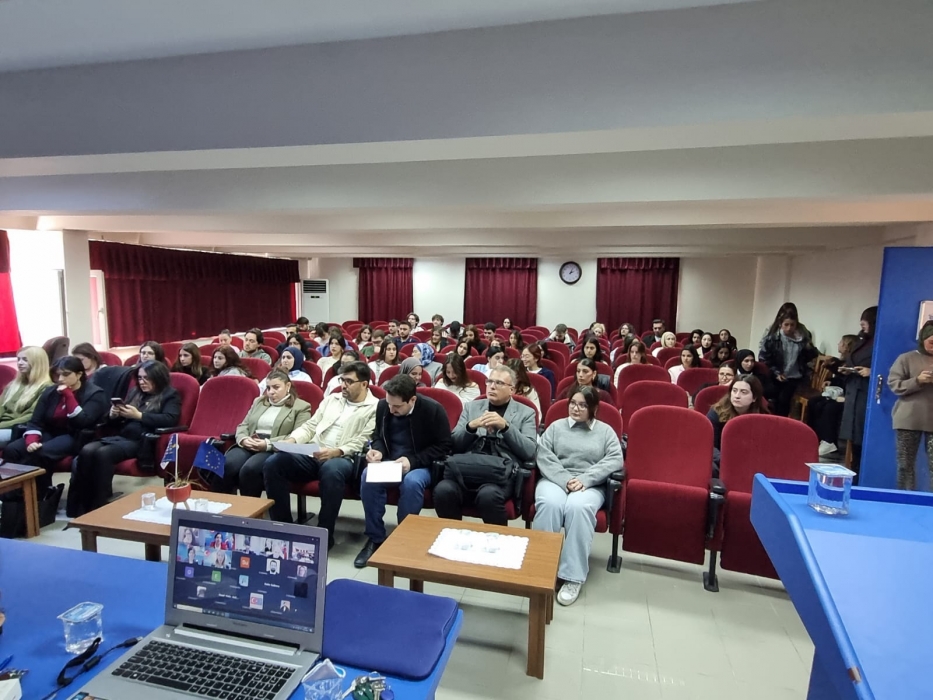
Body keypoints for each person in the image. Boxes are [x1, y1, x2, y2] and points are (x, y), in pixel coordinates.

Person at [252, 361, 378, 547]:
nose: (343, 385)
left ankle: (323, 535)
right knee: (274, 463)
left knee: (332, 471)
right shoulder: (332, 399)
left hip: (343, 456)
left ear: (364, 384)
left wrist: (337, 451)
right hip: (314, 451)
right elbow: (311, 426)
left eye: (349, 381)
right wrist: (292, 440)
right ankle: (283, 527)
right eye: (342, 380)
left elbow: (363, 440)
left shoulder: (375, 407)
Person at [533, 386, 623, 606]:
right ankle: (542, 568)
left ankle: (572, 576)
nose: (576, 408)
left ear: (593, 408)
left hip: (589, 485)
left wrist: (586, 478)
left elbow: (615, 459)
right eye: (573, 403)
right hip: (556, 479)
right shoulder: (556, 427)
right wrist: (565, 479)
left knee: (578, 507)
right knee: (549, 504)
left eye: (583, 405)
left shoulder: (605, 431)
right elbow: (543, 455)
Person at [355, 374, 453, 567]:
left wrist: (413, 461)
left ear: (412, 400)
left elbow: (444, 446)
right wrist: (378, 451)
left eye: (397, 406)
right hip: (391, 462)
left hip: (421, 464)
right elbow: (378, 436)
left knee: (412, 482)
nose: (391, 410)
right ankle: (375, 538)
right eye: (389, 404)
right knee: (368, 476)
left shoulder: (433, 410)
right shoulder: (383, 406)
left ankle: (403, 538)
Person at [67, 361, 182, 516]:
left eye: (146, 378)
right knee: (87, 450)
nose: (142, 382)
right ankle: (82, 505)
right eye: (140, 378)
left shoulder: (170, 395)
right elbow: (117, 421)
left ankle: (99, 504)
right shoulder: (135, 392)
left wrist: (139, 416)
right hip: (122, 436)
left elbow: (170, 419)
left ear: (158, 378)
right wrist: (114, 414)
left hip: (142, 440)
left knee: (103, 454)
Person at [433, 365, 537, 525]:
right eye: (489, 381)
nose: (492, 386)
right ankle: (452, 533)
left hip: (501, 474)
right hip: (468, 468)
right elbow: (453, 444)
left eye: (499, 383)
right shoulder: (472, 407)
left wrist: (506, 427)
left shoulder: (526, 413)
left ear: (512, 389)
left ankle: (496, 538)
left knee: (488, 495)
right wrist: (471, 427)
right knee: (443, 490)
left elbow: (529, 451)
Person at [3, 356, 109, 491]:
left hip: (75, 435)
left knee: (41, 452)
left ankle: (40, 495)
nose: (60, 379)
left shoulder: (95, 394)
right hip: (50, 432)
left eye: (66, 374)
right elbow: (35, 421)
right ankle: (13, 495)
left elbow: (82, 422)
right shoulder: (50, 392)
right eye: (57, 375)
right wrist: (31, 440)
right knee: (12, 449)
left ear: (79, 374)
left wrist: (68, 395)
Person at [213, 370, 312, 495]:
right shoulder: (259, 402)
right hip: (250, 443)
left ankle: (248, 507)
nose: (271, 392)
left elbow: (297, 436)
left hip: (273, 449)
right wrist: (243, 439)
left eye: (276, 387)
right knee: (225, 465)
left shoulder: (301, 407)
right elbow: (244, 425)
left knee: (249, 469)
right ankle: (220, 504)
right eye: (268, 388)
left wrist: (268, 444)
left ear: (288, 386)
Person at [888, 321, 933, 491]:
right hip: (909, 418)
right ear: (923, 339)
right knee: (905, 465)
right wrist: (918, 381)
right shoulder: (906, 358)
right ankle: (905, 498)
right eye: (931, 342)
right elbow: (895, 385)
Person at [839, 307, 877, 476]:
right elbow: (852, 359)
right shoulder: (862, 339)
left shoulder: (879, 341)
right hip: (854, 388)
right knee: (854, 435)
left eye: (864, 323)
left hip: (866, 391)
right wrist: (847, 368)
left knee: (862, 433)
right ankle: (854, 469)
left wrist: (872, 372)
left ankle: (861, 472)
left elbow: (887, 366)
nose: (862, 327)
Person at [759, 314, 818, 417]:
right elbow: (764, 358)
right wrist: (777, 373)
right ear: (780, 324)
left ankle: (781, 422)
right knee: (766, 393)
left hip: (794, 377)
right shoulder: (773, 338)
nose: (789, 328)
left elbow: (811, 356)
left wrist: (810, 348)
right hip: (775, 375)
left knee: (784, 399)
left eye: (792, 325)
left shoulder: (802, 339)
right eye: (786, 324)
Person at [707, 376, 769, 468]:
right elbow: (710, 445)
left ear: (754, 397)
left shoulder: (763, 417)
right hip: (721, 461)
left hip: (750, 463)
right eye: (734, 390)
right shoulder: (716, 412)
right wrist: (725, 461)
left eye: (743, 392)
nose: (737, 396)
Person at [0, 346, 52, 449]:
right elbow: (1, 406)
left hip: (18, 428)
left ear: (37, 362)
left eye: (25, 360)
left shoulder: (47, 387)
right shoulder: (14, 384)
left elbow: (30, 416)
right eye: (18, 359)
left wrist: (2, 425)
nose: (20, 363)